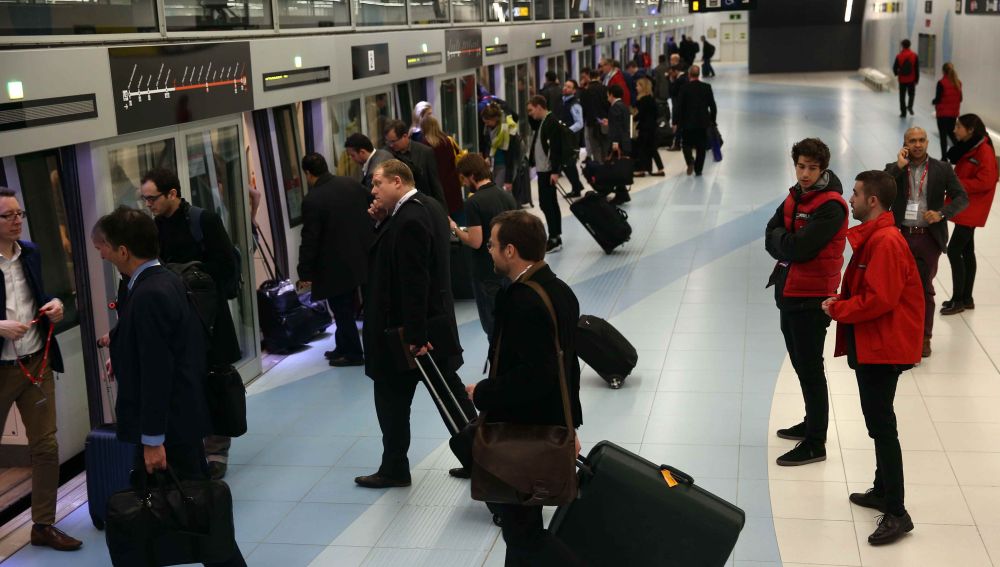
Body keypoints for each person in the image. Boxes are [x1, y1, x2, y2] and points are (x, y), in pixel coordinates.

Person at [94, 206, 247, 566]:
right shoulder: (166, 281)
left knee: (198, 511)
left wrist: (152, 439)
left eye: (103, 247)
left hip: (167, 428)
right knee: (193, 505)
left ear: (124, 251)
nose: (100, 252)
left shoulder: (148, 295)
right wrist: (122, 347)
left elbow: (158, 372)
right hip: (180, 420)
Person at [467, 210, 584, 566]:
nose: (488, 250)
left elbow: (536, 376)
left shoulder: (522, 302)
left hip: (521, 434)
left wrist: (483, 393)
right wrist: (570, 424)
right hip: (548, 424)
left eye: (492, 245)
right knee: (520, 528)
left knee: (523, 532)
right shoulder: (559, 291)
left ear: (511, 251)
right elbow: (569, 367)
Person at [358, 159, 477, 488]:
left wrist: (415, 336)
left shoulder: (409, 219)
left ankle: (395, 467)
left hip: (407, 334)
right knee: (450, 395)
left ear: (397, 181)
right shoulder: (429, 206)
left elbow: (414, 281)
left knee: (393, 401)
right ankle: (479, 458)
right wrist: (382, 223)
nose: (373, 190)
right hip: (430, 326)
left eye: (377, 183)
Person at [822, 170, 923, 547]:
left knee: (882, 427)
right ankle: (883, 490)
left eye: (855, 193)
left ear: (873, 200)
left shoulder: (885, 242)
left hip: (883, 347)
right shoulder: (876, 238)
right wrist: (843, 304)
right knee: (878, 422)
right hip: (875, 344)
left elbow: (880, 300)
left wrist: (839, 310)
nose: (850, 199)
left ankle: (897, 512)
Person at [139, 167, 240, 480]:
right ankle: (193, 447)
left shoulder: (202, 221)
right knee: (189, 384)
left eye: (152, 198)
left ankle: (217, 450)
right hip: (177, 322)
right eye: (144, 199)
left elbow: (226, 266)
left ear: (172, 194)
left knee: (215, 381)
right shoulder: (153, 228)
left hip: (210, 319)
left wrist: (192, 279)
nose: (148, 205)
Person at [0, 190, 79, 552]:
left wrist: (57, 306)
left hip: (37, 362)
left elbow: (44, 294)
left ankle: (43, 525)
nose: (18, 220)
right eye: (8, 216)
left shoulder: (30, 252)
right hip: (2, 369)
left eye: (21, 213)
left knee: (46, 446)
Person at [765, 139, 848, 466]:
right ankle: (810, 422)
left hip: (811, 298)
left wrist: (782, 242)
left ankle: (816, 442)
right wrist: (783, 242)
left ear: (823, 168)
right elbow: (770, 232)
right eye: (801, 166)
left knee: (811, 368)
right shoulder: (796, 195)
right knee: (801, 364)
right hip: (790, 292)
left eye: (812, 168)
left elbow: (800, 248)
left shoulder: (831, 206)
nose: (805, 173)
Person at [884, 127, 968, 356]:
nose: (918, 145)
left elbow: (962, 197)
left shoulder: (941, 169)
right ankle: (899, 334)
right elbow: (880, 189)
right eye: (912, 141)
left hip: (928, 237)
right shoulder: (896, 169)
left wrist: (942, 213)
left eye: (921, 140)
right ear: (905, 143)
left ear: (928, 142)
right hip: (900, 235)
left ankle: (924, 337)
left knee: (923, 289)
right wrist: (898, 167)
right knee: (896, 288)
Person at [297, 153, 372, 367]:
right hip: (361, 255)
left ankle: (353, 353)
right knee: (350, 308)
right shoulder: (350, 183)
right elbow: (371, 202)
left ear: (308, 173)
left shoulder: (313, 199)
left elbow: (310, 239)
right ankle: (343, 346)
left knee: (342, 310)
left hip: (334, 264)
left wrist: (305, 272)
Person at [450, 154, 519, 337]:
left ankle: (498, 363)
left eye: (464, 179)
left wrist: (455, 229)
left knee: (493, 328)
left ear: (471, 175)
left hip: (486, 271)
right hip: (511, 268)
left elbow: (475, 241)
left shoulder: (474, 202)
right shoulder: (506, 196)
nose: (464, 184)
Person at [941, 114, 999, 315]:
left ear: (970, 130)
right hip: (967, 206)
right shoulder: (971, 147)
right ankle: (966, 298)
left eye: (958, 126)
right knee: (967, 251)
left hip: (972, 208)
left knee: (955, 250)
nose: (955, 130)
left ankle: (958, 300)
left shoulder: (984, 151)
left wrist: (956, 185)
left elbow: (987, 181)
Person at [526, 95, 569, 252]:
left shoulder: (551, 122)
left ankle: (554, 237)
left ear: (539, 107)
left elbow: (556, 149)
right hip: (543, 170)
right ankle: (555, 235)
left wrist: (555, 171)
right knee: (548, 203)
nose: (530, 114)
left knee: (548, 204)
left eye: (531, 110)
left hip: (547, 171)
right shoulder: (543, 122)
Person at [383, 119, 448, 208]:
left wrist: (443, 212)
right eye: (388, 141)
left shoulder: (425, 152)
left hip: (423, 206)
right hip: (398, 208)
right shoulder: (386, 154)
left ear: (405, 136)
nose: (390, 145)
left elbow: (435, 184)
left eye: (393, 141)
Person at [417, 115, 465, 218]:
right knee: (457, 216)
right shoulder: (448, 140)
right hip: (453, 183)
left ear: (424, 128)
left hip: (437, 187)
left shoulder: (424, 145)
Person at [674, 65, 717, 177]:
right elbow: (713, 106)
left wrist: (675, 122)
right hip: (703, 122)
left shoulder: (684, 88)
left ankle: (690, 162)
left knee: (686, 144)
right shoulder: (706, 87)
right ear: (698, 74)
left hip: (687, 122)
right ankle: (698, 170)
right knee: (701, 147)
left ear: (689, 75)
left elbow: (678, 106)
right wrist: (712, 120)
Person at [603, 84, 633, 204]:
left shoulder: (614, 107)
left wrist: (615, 142)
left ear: (611, 94)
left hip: (618, 142)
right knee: (619, 167)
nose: (607, 97)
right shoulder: (624, 106)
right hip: (625, 140)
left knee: (616, 168)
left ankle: (621, 195)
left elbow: (616, 127)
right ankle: (623, 193)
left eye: (608, 95)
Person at [481, 103, 521, 189]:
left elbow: (511, 155)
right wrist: (487, 156)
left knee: (499, 192)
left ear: (495, 119)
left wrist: (508, 180)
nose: (486, 125)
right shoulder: (488, 129)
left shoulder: (508, 130)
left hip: (504, 165)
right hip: (493, 165)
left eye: (488, 122)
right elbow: (488, 144)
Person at [633, 77, 666, 178]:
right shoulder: (651, 99)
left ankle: (641, 170)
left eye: (638, 85)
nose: (636, 87)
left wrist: (634, 117)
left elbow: (641, 114)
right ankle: (658, 168)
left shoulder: (642, 100)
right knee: (651, 149)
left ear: (643, 87)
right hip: (652, 127)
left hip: (645, 128)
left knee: (642, 148)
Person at [559, 79, 587, 197]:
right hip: (563, 138)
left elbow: (579, 123)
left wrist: (568, 130)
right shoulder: (563, 102)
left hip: (571, 139)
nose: (565, 88)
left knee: (569, 163)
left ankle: (577, 188)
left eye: (569, 87)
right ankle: (577, 186)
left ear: (574, 90)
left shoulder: (575, 104)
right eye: (565, 85)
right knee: (566, 164)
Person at [931, 62, 962, 159]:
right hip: (953, 114)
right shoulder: (958, 83)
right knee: (952, 134)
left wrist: (933, 101)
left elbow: (938, 99)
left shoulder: (941, 83)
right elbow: (960, 99)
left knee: (943, 136)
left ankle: (944, 157)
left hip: (942, 114)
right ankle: (961, 152)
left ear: (943, 71)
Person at [582, 68, 610, 163]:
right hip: (604, 122)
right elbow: (608, 104)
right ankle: (606, 165)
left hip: (591, 123)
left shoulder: (586, 91)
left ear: (589, 77)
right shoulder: (604, 89)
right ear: (599, 77)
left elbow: (584, 108)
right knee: (604, 145)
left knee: (595, 147)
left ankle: (599, 167)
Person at [893, 39, 919, 118]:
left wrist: (897, 73)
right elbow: (916, 68)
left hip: (902, 79)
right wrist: (916, 79)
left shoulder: (899, 56)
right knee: (911, 94)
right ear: (909, 45)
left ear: (902, 46)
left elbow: (894, 67)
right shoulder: (914, 55)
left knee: (902, 96)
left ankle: (903, 112)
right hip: (911, 79)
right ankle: (910, 106)